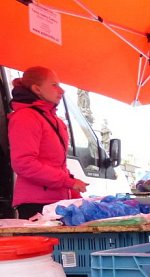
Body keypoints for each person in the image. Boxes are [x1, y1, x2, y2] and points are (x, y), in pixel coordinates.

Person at [8, 66, 88, 219]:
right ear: (37, 89)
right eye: (54, 85)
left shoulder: (52, 118)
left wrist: (71, 187)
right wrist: (68, 182)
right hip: (37, 204)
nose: (61, 90)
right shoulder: (25, 117)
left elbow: (55, 163)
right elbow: (24, 163)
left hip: (56, 201)